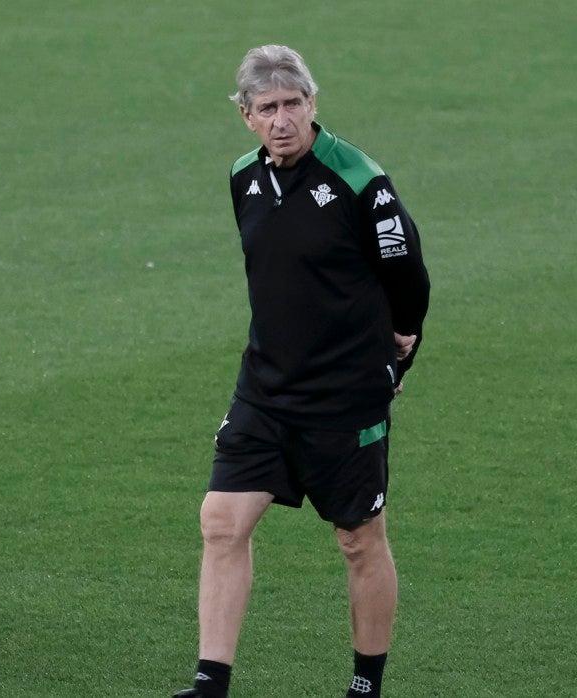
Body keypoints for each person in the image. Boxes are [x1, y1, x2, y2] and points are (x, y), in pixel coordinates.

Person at [175, 45, 430, 698]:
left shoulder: (359, 180)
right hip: (265, 387)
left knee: (359, 539)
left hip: (345, 398)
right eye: (268, 108)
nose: (283, 119)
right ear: (246, 117)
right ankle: (210, 684)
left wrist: (403, 344)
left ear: (313, 104)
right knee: (221, 521)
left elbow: (407, 272)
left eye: (294, 104)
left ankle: (365, 687)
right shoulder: (243, 178)